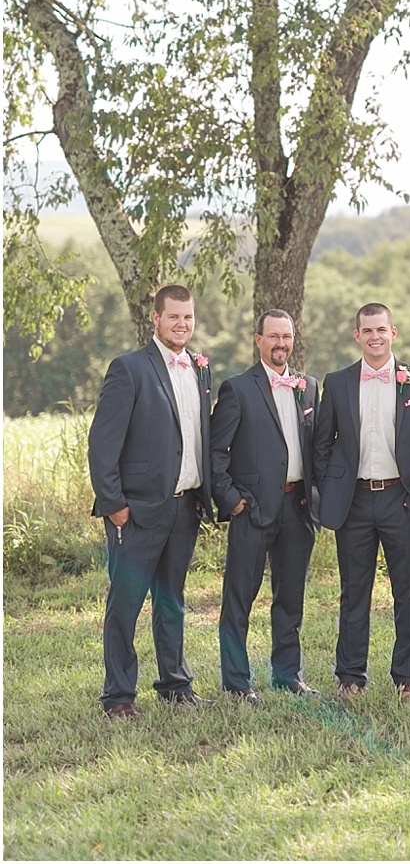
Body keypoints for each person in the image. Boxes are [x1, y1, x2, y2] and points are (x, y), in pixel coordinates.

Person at [88, 284, 216, 716]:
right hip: (136, 511)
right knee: (125, 603)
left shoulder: (200, 370)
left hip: (184, 507)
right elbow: (102, 445)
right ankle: (119, 695)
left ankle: (175, 684)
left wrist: (203, 494)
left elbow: (197, 437)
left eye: (188, 317)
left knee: (171, 600)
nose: (182, 324)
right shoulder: (129, 369)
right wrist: (115, 505)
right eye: (174, 317)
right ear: (155, 319)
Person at [312, 302, 410, 699]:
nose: (375, 337)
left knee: (408, 590)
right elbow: (321, 445)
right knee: (354, 591)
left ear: (393, 332)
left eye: (381, 330)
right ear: (357, 335)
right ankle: (350, 676)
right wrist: (332, 490)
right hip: (353, 502)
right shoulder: (336, 383)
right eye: (367, 331)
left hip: (402, 500)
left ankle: (408, 678)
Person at [209, 309, 321, 701]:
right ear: (258, 340)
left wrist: (315, 494)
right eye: (272, 337)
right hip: (253, 509)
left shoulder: (308, 386)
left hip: (298, 508)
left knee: (290, 599)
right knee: (239, 598)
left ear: (294, 339)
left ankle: (287, 676)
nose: (280, 344)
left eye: (286, 337)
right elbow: (215, 452)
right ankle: (237, 684)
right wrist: (234, 501)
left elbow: (316, 445)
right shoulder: (237, 389)